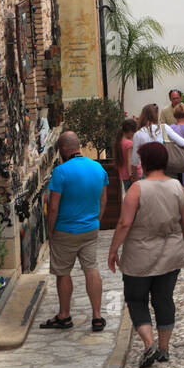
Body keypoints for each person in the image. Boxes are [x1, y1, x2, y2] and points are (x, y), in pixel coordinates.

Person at [107, 142, 184, 368]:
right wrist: (181, 242)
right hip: (170, 251)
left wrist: (113, 250)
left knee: (136, 299)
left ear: (144, 162)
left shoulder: (137, 189)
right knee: (164, 299)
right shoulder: (178, 187)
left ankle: (148, 342)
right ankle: (163, 348)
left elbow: (125, 223)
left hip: (139, 253)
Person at [42, 131, 110, 331]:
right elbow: (103, 200)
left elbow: (53, 207)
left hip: (65, 230)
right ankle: (97, 316)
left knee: (63, 273)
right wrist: (96, 221)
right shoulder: (98, 168)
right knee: (91, 269)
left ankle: (64, 316)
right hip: (90, 229)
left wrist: (50, 231)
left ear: (63, 149)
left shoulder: (61, 172)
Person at [132, 104, 184, 177]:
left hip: (148, 172)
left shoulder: (138, 134)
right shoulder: (164, 127)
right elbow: (182, 142)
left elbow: (134, 159)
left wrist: (134, 176)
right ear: (156, 115)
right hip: (166, 170)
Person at [116, 118, 138, 196]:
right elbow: (130, 160)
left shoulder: (119, 142)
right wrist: (131, 175)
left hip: (124, 176)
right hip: (132, 176)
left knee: (129, 196)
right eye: (134, 132)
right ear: (130, 131)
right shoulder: (129, 144)